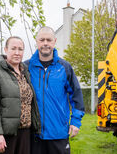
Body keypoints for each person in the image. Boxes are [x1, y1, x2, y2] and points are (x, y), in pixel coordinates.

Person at [25, 26, 85, 154]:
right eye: (42, 40)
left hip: (59, 132)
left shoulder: (65, 67)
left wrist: (75, 121)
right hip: (34, 134)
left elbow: (76, 96)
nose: (45, 43)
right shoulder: (26, 67)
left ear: (54, 41)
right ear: (36, 41)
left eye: (49, 40)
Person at [0, 36, 41, 154]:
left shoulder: (26, 73)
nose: (17, 52)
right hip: (4, 135)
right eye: (13, 48)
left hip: (25, 133)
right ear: (5, 49)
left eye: (20, 49)